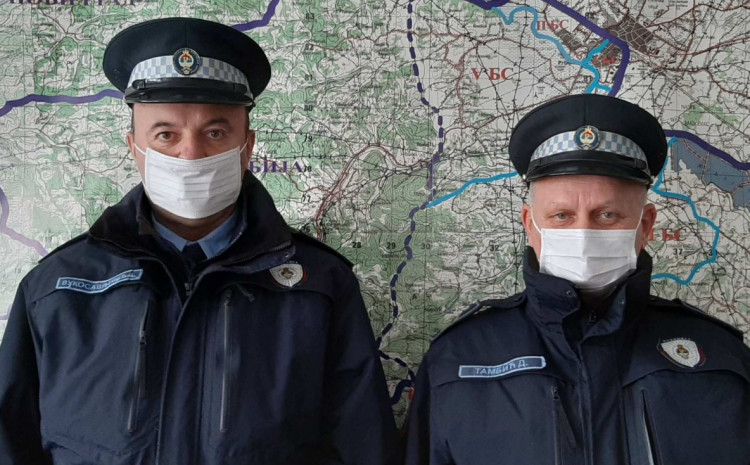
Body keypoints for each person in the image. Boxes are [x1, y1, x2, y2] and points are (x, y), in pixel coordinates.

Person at [0, 17, 399, 465]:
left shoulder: (321, 285)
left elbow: (362, 447)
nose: (189, 154)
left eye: (214, 133)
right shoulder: (56, 288)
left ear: (247, 146)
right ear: (134, 147)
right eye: (165, 134)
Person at [403, 94, 750, 464]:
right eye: (562, 216)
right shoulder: (457, 361)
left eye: (607, 215)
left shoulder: (722, 359)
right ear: (530, 225)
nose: (583, 234)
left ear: (646, 225)